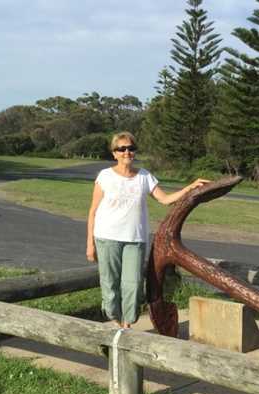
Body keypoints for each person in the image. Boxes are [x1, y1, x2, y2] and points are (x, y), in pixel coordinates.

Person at [86, 131, 209, 329]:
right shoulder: (105, 176)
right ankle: (116, 321)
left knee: (133, 285)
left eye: (131, 148)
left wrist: (190, 187)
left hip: (135, 239)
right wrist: (90, 245)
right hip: (107, 237)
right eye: (122, 149)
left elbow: (165, 199)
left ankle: (126, 325)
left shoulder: (144, 176)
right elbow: (92, 211)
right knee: (110, 285)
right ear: (114, 153)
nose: (127, 152)